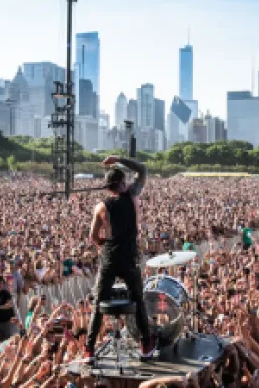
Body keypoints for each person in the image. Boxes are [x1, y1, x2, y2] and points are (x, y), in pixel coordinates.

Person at [84, 156, 154, 364]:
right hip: (129, 257)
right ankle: (146, 344)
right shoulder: (132, 196)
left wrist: (106, 242)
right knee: (137, 299)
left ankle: (89, 349)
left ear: (108, 188)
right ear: (123, 183)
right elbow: (142, 168)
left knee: (99, 302)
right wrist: (117, 160)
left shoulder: (101, 207)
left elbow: (94, 237)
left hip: (110, 257)